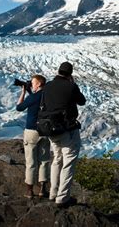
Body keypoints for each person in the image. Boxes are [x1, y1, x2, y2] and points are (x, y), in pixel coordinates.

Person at [42, 61, 86, 208]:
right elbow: (82, 101)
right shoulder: (71, 86)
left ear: (58, 71)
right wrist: (72, 85)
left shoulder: (47, 86)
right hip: (67, 129)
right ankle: (62, 198)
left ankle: (53, 193)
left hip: (51, 129)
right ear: (70, 74)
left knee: (57, 159)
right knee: (68, 162)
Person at [16, 74, 50, 199]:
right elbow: (38, 99)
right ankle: (42, 189)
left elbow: (19, 107)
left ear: (39, 84)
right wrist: (30, 89)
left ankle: (30, 191)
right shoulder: (49, 97)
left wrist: (23, 92)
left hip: (31, 132)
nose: (31, 85)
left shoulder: (33, 97)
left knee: (31, 162)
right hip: (45, 132)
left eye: (33, 83)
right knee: (44, 161)